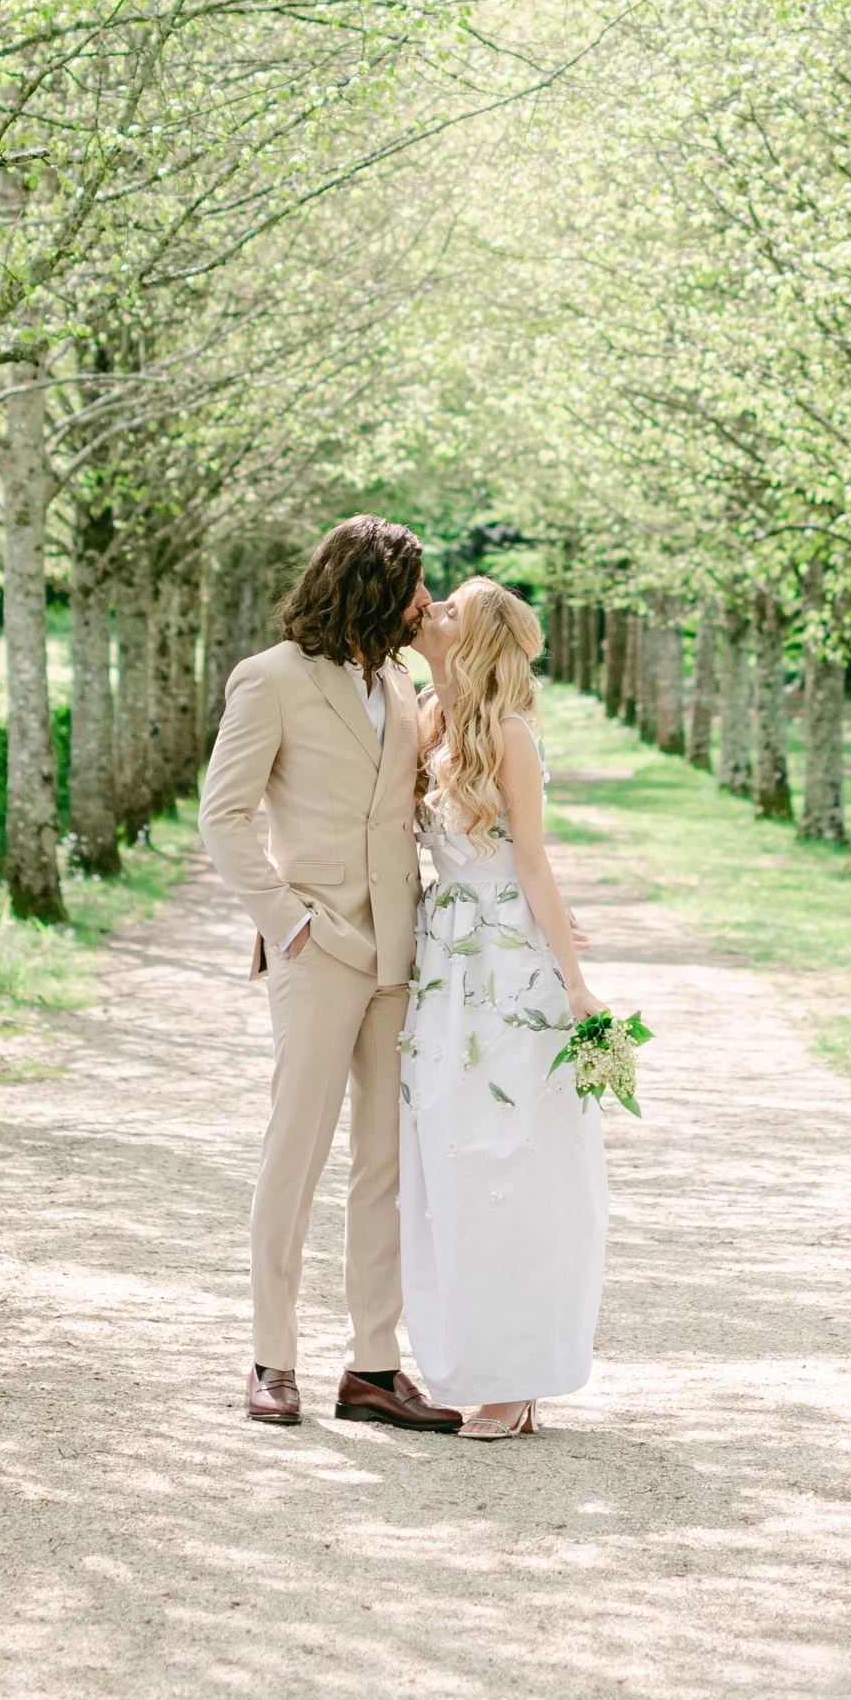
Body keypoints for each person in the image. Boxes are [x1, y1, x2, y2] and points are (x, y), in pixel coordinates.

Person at [198, 517, 464, 1434]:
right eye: (414, 586)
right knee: (296, 1155)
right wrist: (287, 922)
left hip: (399, 951)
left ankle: (375, 1368)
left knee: (384, 1168)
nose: (425, 602)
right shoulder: (270, 678)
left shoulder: (398, 677)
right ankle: (272, 1359)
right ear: (369, 585)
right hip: (316, 952)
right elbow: (222, 815)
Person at [400, 578, 607, 1439]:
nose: (430, 612)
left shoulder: (512, 736)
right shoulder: (425, 717)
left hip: (508, 971)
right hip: (442, 965)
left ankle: (515, 1375)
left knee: (508, 1160)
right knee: (444, 1160)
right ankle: (466, 1358)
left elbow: (532, 866)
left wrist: (578, 985)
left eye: (446, 609)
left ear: (474, 638)